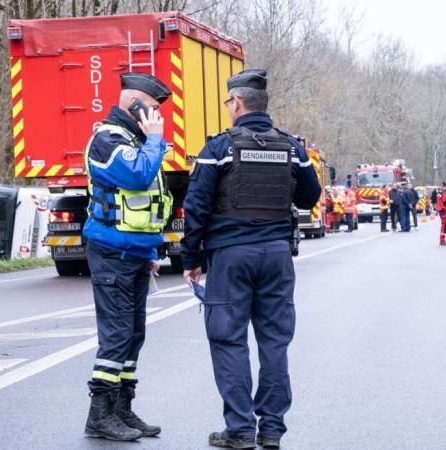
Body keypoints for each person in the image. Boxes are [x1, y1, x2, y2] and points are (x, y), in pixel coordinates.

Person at [180, 69, 321, 450]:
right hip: (276, 256)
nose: (228, 108)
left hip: (230, 257)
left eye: (229, 103)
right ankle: (271, 430)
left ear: (237, 103)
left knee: (229, 340)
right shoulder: (292, 148)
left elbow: (195, 207)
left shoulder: (218, 149)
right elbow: (310, 197)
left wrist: (191, 257)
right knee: (275, 341)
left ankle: (240, 430)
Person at [82, 73, 172, 441]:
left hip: (135, 254)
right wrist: (154, 140)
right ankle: (99, 416)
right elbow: (136, 177)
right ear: (133, 104)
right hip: (111, 254)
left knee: (134, 335)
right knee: (117, 334)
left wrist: (152, 250)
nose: (157, 117)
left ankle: (122, 409)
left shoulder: (136, 141)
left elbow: (147, 205)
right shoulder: (107, 140)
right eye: (152, 109)